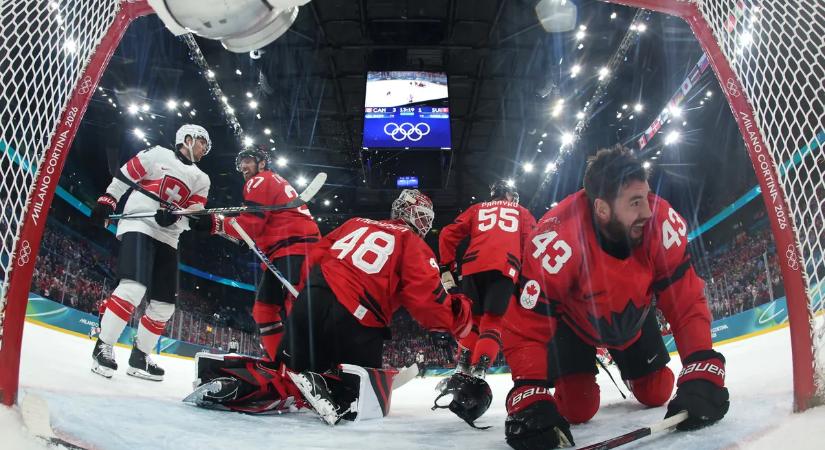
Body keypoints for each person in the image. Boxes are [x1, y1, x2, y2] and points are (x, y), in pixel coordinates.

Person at [501, 146, 729, 449]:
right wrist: (529, 391)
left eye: (646, 197)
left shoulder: (660, 222)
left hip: (633, 317)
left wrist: (701, 362)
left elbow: (685, 298)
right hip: (572, 326)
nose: (647, 211)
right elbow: (525, 324)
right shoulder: (555, 240)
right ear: (602, 208)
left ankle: (634, 373)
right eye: (635, 202)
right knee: (577, 409)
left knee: (658, 391)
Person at [185, 190, 473, 425]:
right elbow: (427, 305)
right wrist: (459, 315)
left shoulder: (355, 223)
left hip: (311, 298)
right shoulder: (414, 244)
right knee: (363, 396)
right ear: (418, 219)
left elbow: (315, 258)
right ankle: (330, 384)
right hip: (355, 318)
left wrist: (309, 299)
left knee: (285, 373)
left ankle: (230, 378)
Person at [89, 124, 212, 381]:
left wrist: (188, 218)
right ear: (187, 139)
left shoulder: (202, 179)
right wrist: (108, 199)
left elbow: (192, 212)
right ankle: (103, 346)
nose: (205, 148)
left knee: (164, 306)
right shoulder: (157, 154)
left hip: (169, 237)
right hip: (139, 224)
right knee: (132, 287)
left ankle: (140, 357)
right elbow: (125, 175)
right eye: (202, 141)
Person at [194, 146, 320, 361]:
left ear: (262, 163)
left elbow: (250, 226)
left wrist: (215, 222)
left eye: (248, 160)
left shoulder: (260, 180)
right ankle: (282, 365)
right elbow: (254, 228)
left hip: (295, 249)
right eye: (241, 162)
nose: (243, 166)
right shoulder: (272, 182)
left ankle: (310, 366)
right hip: (286, 251)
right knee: (264, 311)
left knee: (295, 308)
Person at [435, 180, 536, 412]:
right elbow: (532, 242)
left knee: (475, 322)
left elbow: (448, 234)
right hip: (504, 266)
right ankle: (479, 373)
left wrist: (447, 266)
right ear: (510, 195)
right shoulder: (521, 211)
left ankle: (461, 367)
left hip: (471, 268)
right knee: (493, 321)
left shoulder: (476, 209)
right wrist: (527, 277)